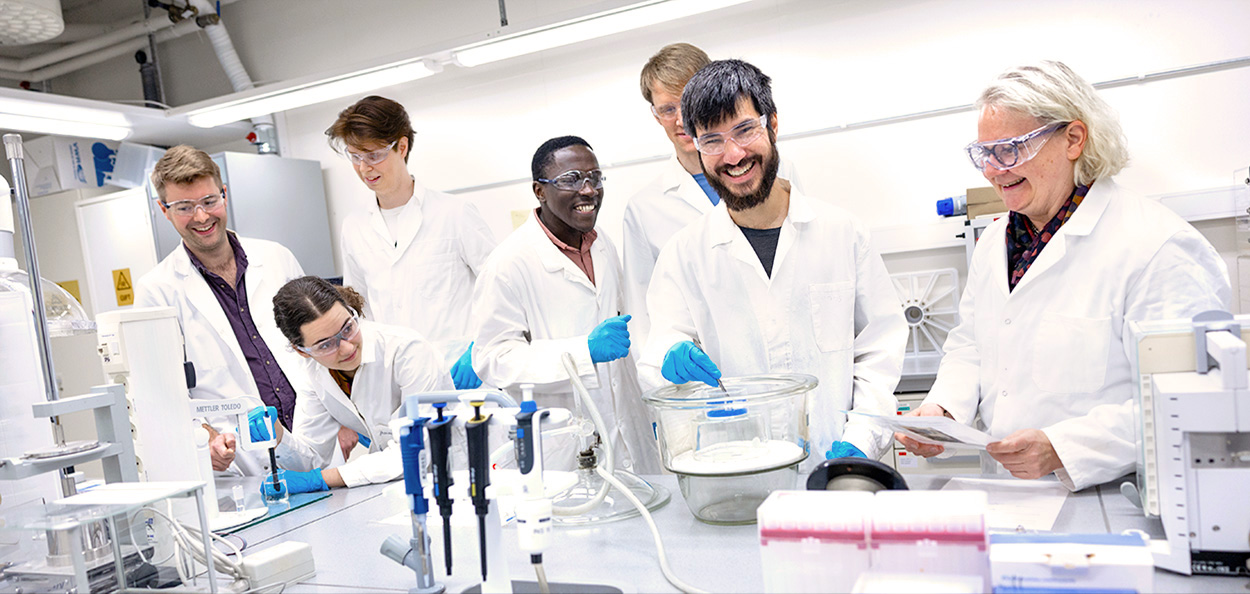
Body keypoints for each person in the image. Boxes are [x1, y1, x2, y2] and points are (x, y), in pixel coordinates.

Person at [897, 61, 1230, 491]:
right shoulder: (996, 243)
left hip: (1116, 493)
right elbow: (971, 347)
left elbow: (1190, 398)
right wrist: (942, 411)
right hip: (1011, 492)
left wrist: (1065, 446)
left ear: (1073, 139)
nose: (994, 170)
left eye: (1011, 148)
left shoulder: (1159, 247)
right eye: (985, 153)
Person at [638, 60, 908, 463]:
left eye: (745, 130)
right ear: (695, 145)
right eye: (711, 140)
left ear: (773, 125)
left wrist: (862, 439)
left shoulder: (843, 233)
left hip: (839, 467)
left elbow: (879, 352)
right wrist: (668, 357)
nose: (733, 155)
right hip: (740, 472)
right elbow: (660, 347)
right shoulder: (684, 255)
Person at [134, 145, 348, 476]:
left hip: (319, 438)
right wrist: (202, 439)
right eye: (184, 207)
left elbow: (325, 344)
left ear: (224, 195)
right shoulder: (157, 291)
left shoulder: (276, 258)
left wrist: (347, 417)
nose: (202, 217)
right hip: (244, 464)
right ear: (164, 210)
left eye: (209, 202)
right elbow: (160, 394)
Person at [469, 136, 660, 473]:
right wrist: (582, 352)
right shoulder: (508, 264)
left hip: (630, 435)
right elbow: (493, 360)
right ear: (539, 190)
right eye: (570, 180)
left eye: (595, 178)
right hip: (564, 449)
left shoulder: (604, 246)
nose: (588, 190)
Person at [622, 43, 801, 351]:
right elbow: (643, 316)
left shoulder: (777, 171)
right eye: (667, 109)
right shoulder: (643, 208)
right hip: (706, 371)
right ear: (655, 115)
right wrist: (660, 373)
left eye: (687, 103)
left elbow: (801, 260)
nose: (681, 120)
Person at [327, 96, 498, 390]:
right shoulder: (354, 227)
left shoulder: (455, 214)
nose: (365, 168)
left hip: (462, 374)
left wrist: (482, 348)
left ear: (402, 146)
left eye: (374, 155)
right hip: (397, 381)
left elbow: (501, 288)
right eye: (355, 156)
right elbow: (359, 310)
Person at [258, 276, 453, 494]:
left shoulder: (407, 351)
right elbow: (311, 459)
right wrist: (277, 436)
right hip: (396, 488)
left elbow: (413, 452)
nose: (347, 348)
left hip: (454, 474)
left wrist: (324, 478)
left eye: (348, 328)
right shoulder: (313, 374)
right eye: (326, 344)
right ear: (302, 351)